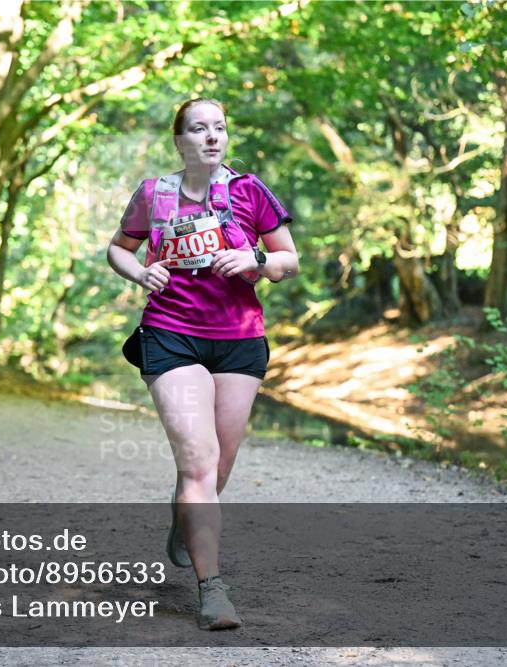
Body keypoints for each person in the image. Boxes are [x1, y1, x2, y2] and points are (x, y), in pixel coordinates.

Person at [107, 98, 299, 631]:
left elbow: (289, 259)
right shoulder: (155, 194)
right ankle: (213, 591)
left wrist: (256, 260)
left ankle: (183, 512)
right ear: (180, 140)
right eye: (199, 128)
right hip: (171, 335)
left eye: (219, 127)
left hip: (239, 341)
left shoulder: (249, 191)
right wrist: (138, 274)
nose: (211, 137)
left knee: (216, 470)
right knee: (198, 460)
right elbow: (119, 249)